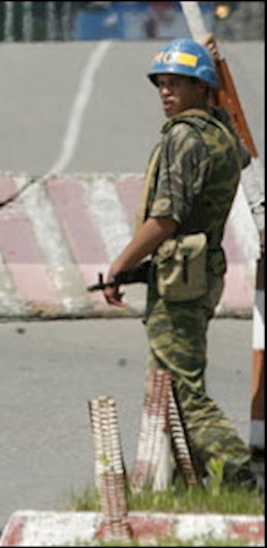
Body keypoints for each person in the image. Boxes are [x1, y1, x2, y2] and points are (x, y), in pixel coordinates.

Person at [102, 36, 258, 490]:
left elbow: (164, 219)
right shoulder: (221, 132)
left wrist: (118, 265)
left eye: (179, 83)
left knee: (183, 394)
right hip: (201, 270)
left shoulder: (184, 138)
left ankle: (240, 474)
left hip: (179, 277)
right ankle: (184, 487)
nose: (166, 92)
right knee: (165, 388)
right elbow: (240, 138)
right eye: (162, 84)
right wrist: (214, 65)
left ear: (201, 87)